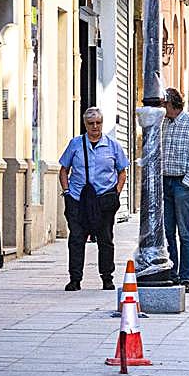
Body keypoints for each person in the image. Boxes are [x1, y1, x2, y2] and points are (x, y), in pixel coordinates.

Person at [58, 107, 129, 291]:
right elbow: (64, 170)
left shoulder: (112, 145)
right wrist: (66, 193)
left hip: (103, 200)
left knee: (105, 239)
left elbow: (122, 172)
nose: (95, 127)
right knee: (76, 239)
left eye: (98, 123)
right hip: (78, 199)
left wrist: (116, 193)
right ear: (85, 125)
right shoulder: (75, 144)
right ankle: (75, 279)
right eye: (91, 123)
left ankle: (107, 278)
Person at [161, 88, 189, 292]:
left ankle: (186, 277)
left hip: (184, 185)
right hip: (166, 181)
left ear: (171, 104)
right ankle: (172, 273)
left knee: (185, 232)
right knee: (167, 231)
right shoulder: (164, 123)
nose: (162, 108)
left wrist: (187, 182)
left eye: (164, 104)